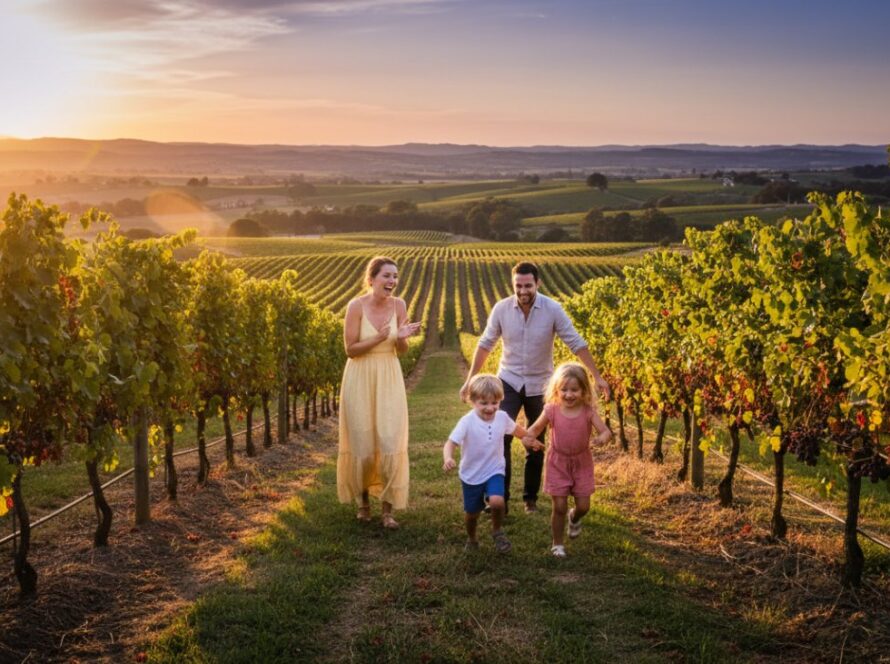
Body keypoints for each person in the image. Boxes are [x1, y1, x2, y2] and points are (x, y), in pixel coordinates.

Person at [459, 261, 610, 514]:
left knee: (536, 440)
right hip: (508, 379)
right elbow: (486, 343)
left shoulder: (552, 309)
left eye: (528, 285)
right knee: (501, 436)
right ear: (513, 284)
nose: (523, 290)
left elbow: (575, 341)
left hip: (541, 382)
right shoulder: (502, 309)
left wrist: (597, 375)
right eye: (518, 285)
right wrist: (470, 379)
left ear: (537, 284)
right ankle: (500, 500)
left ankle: (530, 499)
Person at [337, 256, 421, 529]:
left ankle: (387, 511)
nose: (392, 281)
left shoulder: (399, 305)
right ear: (371, 279)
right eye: (387, 275)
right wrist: (379, 337)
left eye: (395, 276)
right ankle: (363, 504)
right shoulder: (355, 306)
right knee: (361, 442)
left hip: (389, 375)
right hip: (360, 375)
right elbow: (350, 349)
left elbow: (403, 350)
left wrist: (401, 338)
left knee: (388, 439)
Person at [523, 363, 611, 558]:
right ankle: (557, 544)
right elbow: (535, 429)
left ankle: (575, 516)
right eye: (564, 390)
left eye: (574, 390)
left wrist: (602, 438)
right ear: (556, 389)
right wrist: (528, 438)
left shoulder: (588, 411)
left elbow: (605, 431)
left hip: (582, 462)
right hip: (558, 462)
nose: (569, 395)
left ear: (584, 391)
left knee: (583, 506)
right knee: (559, 506)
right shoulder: (551, 410)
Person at [443, 374, 530, 553]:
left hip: (495, 469)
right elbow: (450, 443)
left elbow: (516, 430)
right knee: (472, 514)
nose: (490, 408)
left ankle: (497, 531)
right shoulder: (467, 421)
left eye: (495, 403)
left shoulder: (502, 417)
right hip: (471, 474)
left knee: (498, 502)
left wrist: (530, 439)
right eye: (484, 403)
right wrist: (448, 458)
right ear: (473, 401)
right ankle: (472, 539)